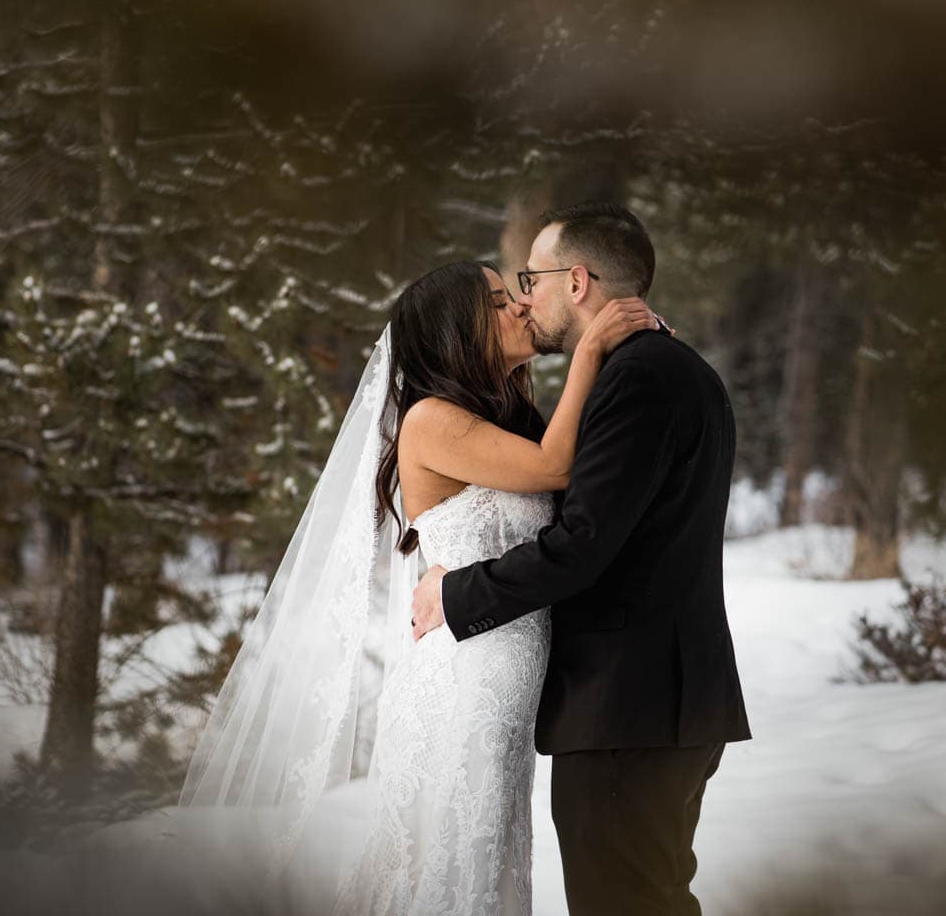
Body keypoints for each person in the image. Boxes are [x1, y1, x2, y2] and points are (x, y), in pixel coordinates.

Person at [177, 255, 658, 916]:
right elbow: (557, 467)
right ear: (456, 333)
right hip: (465, 680)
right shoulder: (430, 420)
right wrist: (593, 345)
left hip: (504, 676)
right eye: (495, 303)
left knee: (483, 863)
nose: (517, 307)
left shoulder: (506, 413)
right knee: (452, 869)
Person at [412, 202, 752, 916]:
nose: (523, 298)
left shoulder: (634, 378)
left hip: (628, 709)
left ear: (577, 282)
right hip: (658, 704)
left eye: (528, 280)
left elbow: (582, 547)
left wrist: (455, 595)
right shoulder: (670, 368)